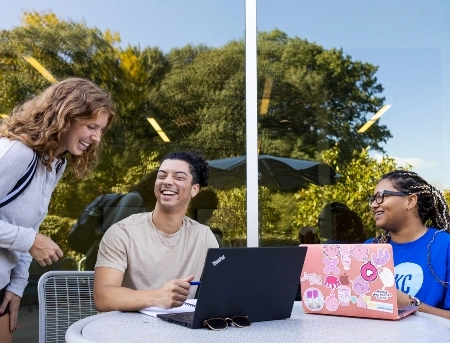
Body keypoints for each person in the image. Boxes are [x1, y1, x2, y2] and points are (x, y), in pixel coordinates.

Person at [0, 77, 116, 341]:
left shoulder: (54, 163)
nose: (96, 138)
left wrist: (17, 285)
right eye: (91, 126)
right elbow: (29, 236)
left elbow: (30, 225)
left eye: (101, 130)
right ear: (66, 116)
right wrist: (30, 241)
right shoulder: (17, 153)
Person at [93, 150, 219, 312]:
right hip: (128, 330)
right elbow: (103, 297)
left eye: (178, 177)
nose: (167, 181)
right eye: (162, 175)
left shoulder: (204, 236)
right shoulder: (122, 233)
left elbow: (219, 290)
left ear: (194, 190)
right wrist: (158, 296)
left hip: (179, 331)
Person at [366, 170, 450, 319]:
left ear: (410, 201)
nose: (373, 205)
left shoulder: (445, 246)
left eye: (381, 197)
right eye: (373, 199)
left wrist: (410, 304)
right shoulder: (368, 248)